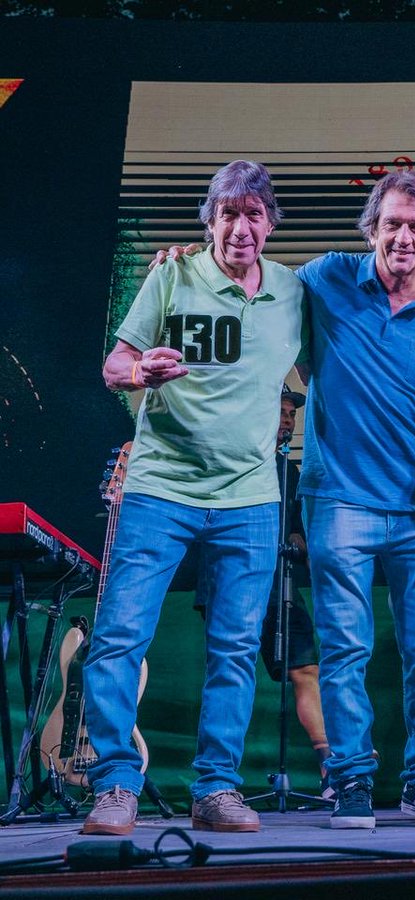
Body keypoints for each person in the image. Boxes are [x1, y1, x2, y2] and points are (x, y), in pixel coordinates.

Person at [83, 160, 305, 835]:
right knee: (120, 637)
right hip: (161, 488)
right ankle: (116, 783)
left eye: (254, 214)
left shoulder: (294, 291)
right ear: (209, 221)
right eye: (229, 213)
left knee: (235, 650)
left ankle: (215, 789)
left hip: (250, 499)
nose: (242, 227)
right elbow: (113, 364)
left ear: (270, 223)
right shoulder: (172, 274)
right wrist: (138, 371)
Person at [296, 171, 415, 828]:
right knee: (346, 651)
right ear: (373, 227)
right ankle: (349, 782)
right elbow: (251, 299)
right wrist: (188, 262)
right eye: (393, 223)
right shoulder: (324, 278)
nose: (403, 236)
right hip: (339, 499)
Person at [193, 387, 331, 789]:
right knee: (229, 667)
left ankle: (331, 765)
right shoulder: (228, 460)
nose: (287, 420)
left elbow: (294, 530)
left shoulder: (289, 471)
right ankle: (217, 780)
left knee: (306, 667)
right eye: (280, 411)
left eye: (291, 414)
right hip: (229, 574)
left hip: (280, 580)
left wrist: (306, 543)